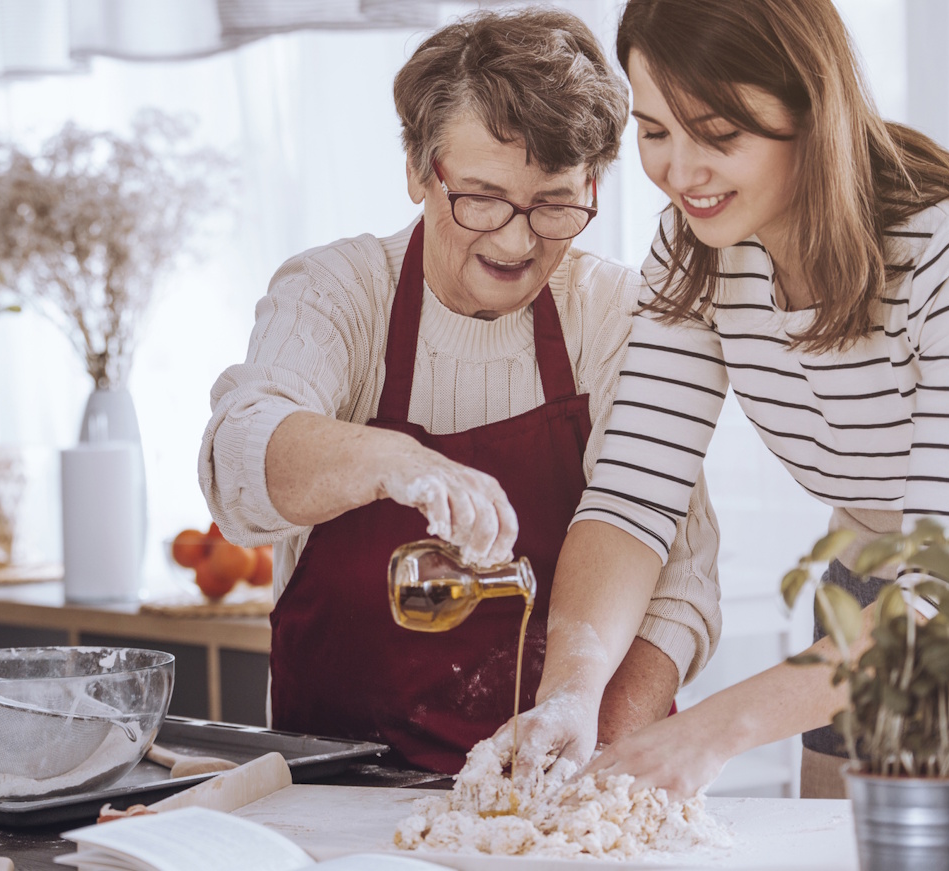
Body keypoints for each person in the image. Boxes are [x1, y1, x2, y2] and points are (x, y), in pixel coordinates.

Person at [507, 0, 949, 799]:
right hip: (872, 574)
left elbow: (945, 592)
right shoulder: (694, 248)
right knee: (838, 841)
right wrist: (573, 690)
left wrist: (710, 727)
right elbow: (631, 499)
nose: (681, 174)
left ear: (813, 107)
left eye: (719, 135)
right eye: (655, 133)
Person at [198, 8, 721, 775]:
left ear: (593, 184)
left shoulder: (618, 314)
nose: (514, 241)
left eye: (553, 203)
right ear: (418, 167)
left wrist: (588, 762)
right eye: (480, 197)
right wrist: (393, 461)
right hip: (346, 803)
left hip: (567, 799)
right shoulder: (339, 292)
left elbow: (678, 581)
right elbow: (238, 466)